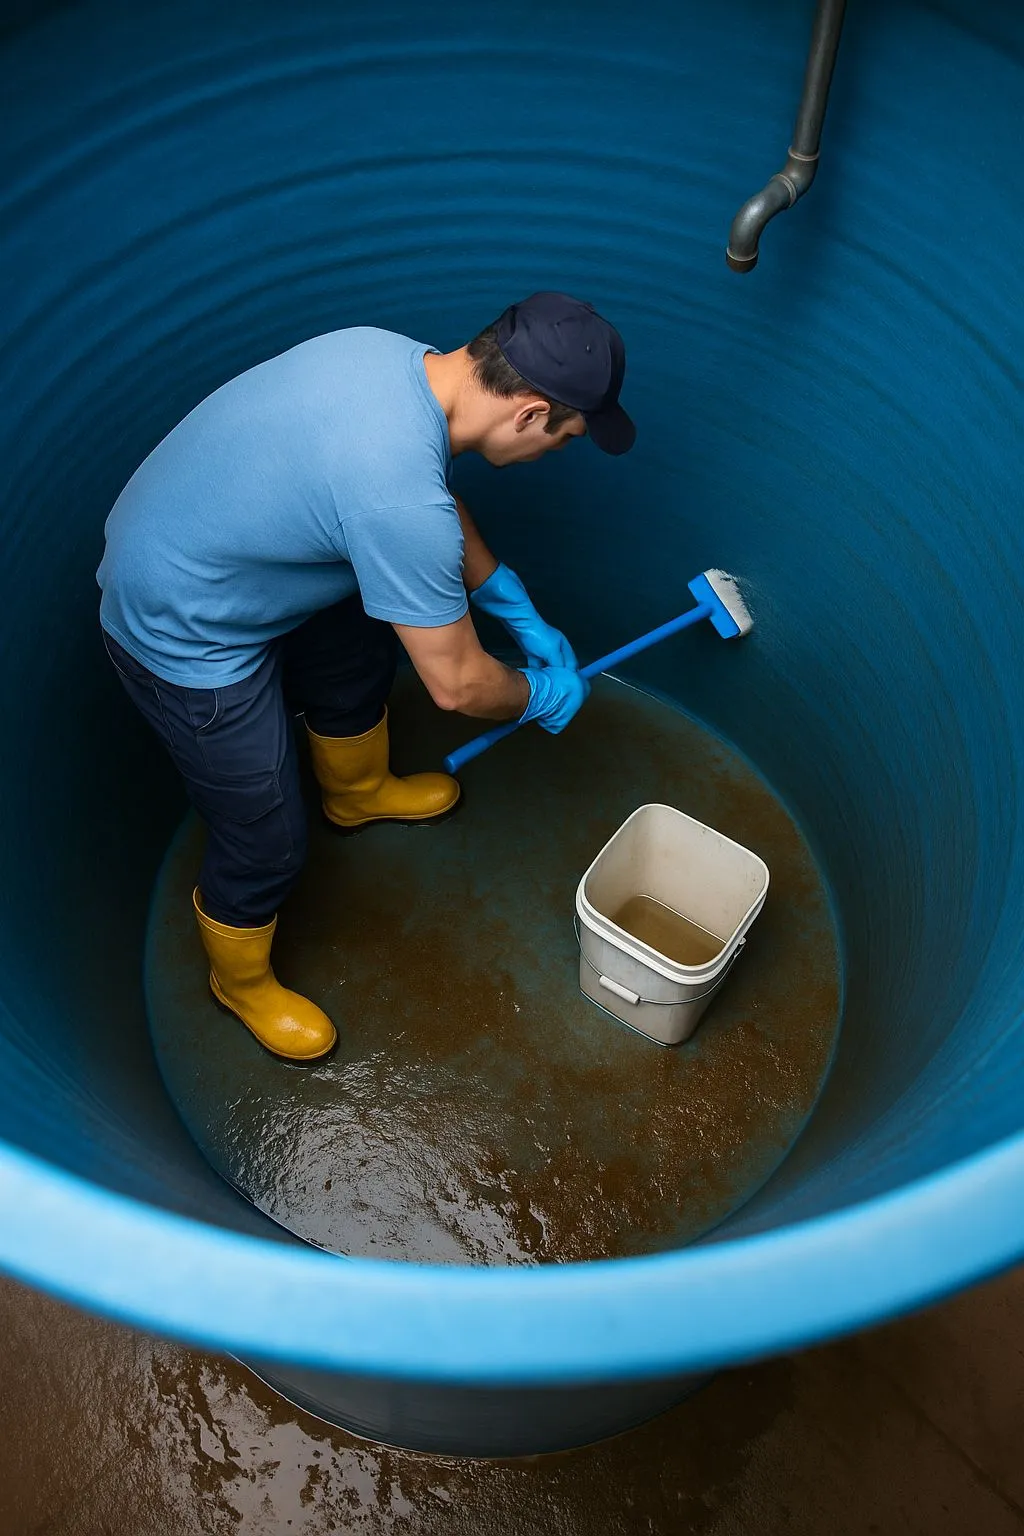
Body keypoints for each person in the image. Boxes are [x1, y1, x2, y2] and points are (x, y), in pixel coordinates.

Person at [97, 291, 635, 1063]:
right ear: (528, 412)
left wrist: (509, 602)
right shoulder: (393, 494)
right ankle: (238, 983)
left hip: (238, 555)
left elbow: (429, 499)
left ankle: (356, 796)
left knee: (360, 650)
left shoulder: (394, 358)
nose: (559, 449)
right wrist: (542, 693)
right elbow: (458, 685)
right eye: (566, 436)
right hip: (179, 625)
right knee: (265, 832)